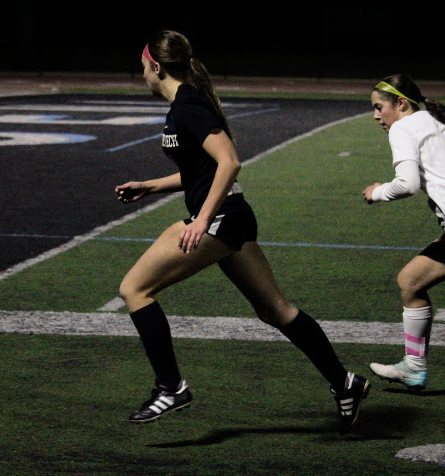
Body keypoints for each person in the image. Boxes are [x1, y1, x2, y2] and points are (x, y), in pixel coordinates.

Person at [116, 29, 370, 434]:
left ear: (156, 66)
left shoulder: (188, 106)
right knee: (276, 310)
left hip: (221, 218)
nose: (141, 74)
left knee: (135, 289)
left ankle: (171, 387)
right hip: (231, 217)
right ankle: (345, 383)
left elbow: (229, 162)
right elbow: (199, 170)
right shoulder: (185, 105)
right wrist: (150, 186)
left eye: (141, 67)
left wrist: (201, 220)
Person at [363, 74, 445, 390]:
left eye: (378, 107)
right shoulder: (444, 122)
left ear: (401, 103)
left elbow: (407, 184)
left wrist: (376, 192)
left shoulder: (405, 126)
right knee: (411, 281)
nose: (376, 116)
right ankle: (414, 367)